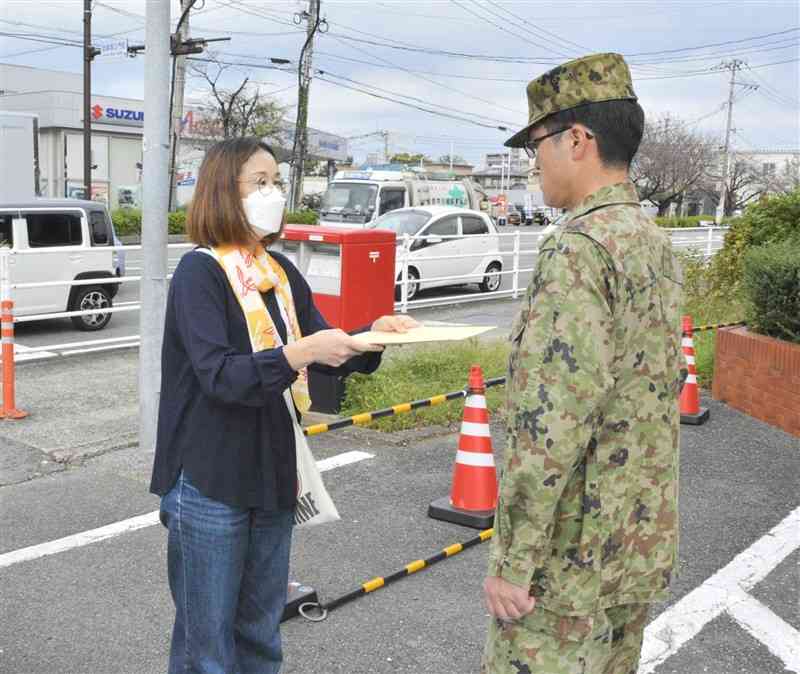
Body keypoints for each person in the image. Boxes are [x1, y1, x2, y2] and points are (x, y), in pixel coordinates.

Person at [150, 136, 417, 674]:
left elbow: (322, 344)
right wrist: (299, 352)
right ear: (224, 191)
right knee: (207, 646)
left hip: (272, 473)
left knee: (261, 629)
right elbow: (220, 376)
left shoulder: (277, 273)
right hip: (209, 480)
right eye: (260, 182)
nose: (273, 193)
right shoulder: (199, 274)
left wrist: (370, 336)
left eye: (277, 182)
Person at [482, 53, 686, 674]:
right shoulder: (653, 242)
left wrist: (514, 561)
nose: (533, 161)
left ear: (577, 139)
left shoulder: (578, 250)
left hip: (569, 562)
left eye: (537, 143)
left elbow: (552, 424)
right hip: (638, 543)